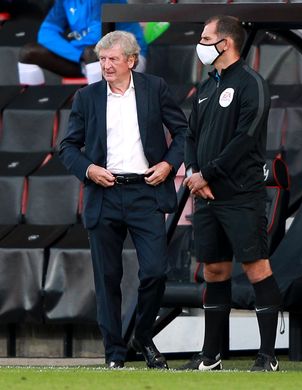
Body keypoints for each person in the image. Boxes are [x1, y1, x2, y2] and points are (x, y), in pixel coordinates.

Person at [59, 30, 187, 369]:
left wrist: (169, 164)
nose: (106, 65)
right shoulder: (87, 97)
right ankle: (114, 354)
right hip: (104, 192)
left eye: (113, 59)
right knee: (107, 279)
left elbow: (183, 132)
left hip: (146, 191)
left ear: (131, 60)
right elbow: (68, 147)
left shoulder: (154, 88)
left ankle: (143, 335)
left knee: (156, 271)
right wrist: (89, 170)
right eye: (102, 59)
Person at [181, 15, 282, 372]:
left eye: (206, 37)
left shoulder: (251, 83)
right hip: (206, 197)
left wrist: (208, 172)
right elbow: (189, 135)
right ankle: (211, 356)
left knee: (256, 268)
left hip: (241, 195)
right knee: (215, 271)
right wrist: (194, 173)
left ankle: (267, 356)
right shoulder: (207, 86)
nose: (200, 44)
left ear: (225, 43)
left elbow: (246, 138)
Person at [17, 0, 148, 85]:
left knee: (93, 52)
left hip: (129, 58)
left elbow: (99, 37)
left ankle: (100, 108)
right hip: (87, 58)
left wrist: (74, 50)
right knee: (28, 54)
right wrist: (76, 55)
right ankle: (38, 109)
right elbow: (46, 34)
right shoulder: (64, 2)